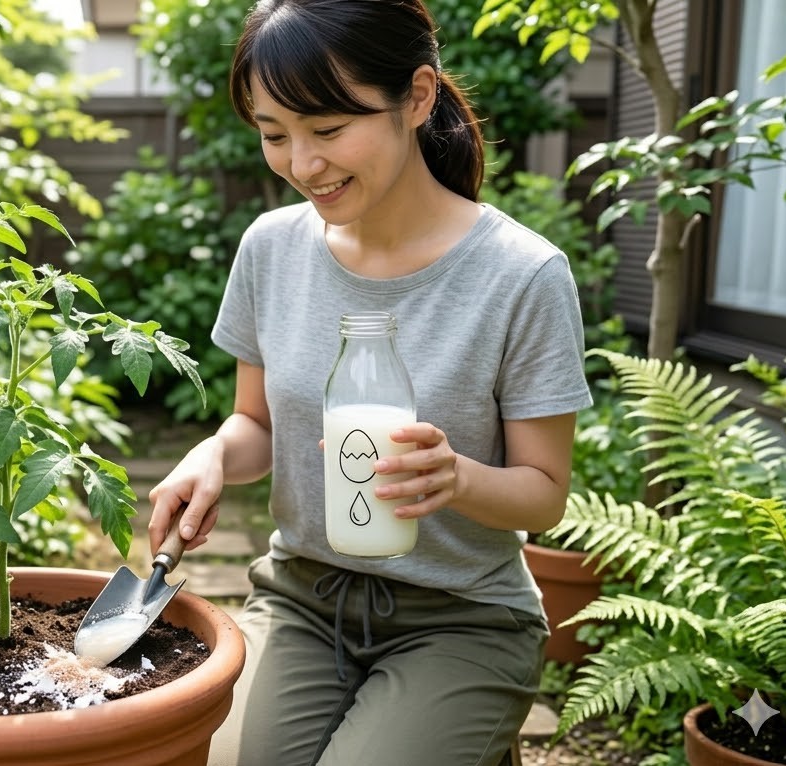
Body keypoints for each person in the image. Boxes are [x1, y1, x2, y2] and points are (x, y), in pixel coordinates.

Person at [144, 1, 594, 764]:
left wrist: (453, 478)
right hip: (303, 601)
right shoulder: (271, 249)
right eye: (273, 133)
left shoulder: (522, 275)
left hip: (463, 616)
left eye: (326, 130)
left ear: (417, 97)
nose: (301, 164)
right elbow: (256, 425)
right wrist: (213, 456)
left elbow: (545, 492)